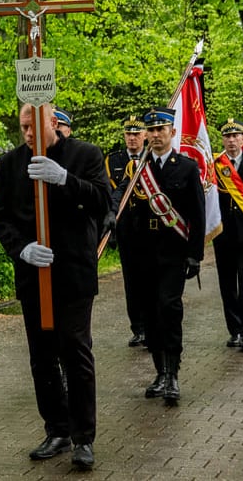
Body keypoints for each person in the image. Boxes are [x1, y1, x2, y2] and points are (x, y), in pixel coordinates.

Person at [0, 103, 110, 470]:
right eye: (22, 127)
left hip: (72, 272)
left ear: (53, 123)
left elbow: (104, 201)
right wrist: (21, 249)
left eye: (32, 126)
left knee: (75, 352)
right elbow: (0, 216)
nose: (26, 134)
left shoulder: (85, 155)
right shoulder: (10, 164)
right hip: (33, 275)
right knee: (42, 357)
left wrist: (65, 179)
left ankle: (83, 437)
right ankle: (56, 428)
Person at [114, 107, 205, 406]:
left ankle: (173, 373)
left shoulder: (187, 168)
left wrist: (195, 254)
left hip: (173, 252)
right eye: (150, 131)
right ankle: (159, 372)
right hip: (142, 253)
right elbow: (128, 211)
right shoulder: (137, 168)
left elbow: (197, 214)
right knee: (150, 313)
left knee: (169, 308)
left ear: (172, 133)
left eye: (160, 130)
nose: (154, 135)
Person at [213, 118, 243, 352]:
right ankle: (234, 330)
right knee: (227, 285)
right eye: (227, 137)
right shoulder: (215, 166)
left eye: (235, 136)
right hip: (223, 236)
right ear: (223, 139)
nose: (231, 140)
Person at [104, 114, 147, 347]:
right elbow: (110, 191)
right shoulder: (113, 160)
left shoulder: (151, 158)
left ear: (144, 136)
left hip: (150, 228)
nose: (132, 138)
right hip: (126, 227)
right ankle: (138, 328)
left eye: (136, 134)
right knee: (131, 280)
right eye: (128, 134)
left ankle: (152, 325)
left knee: (150, 278)